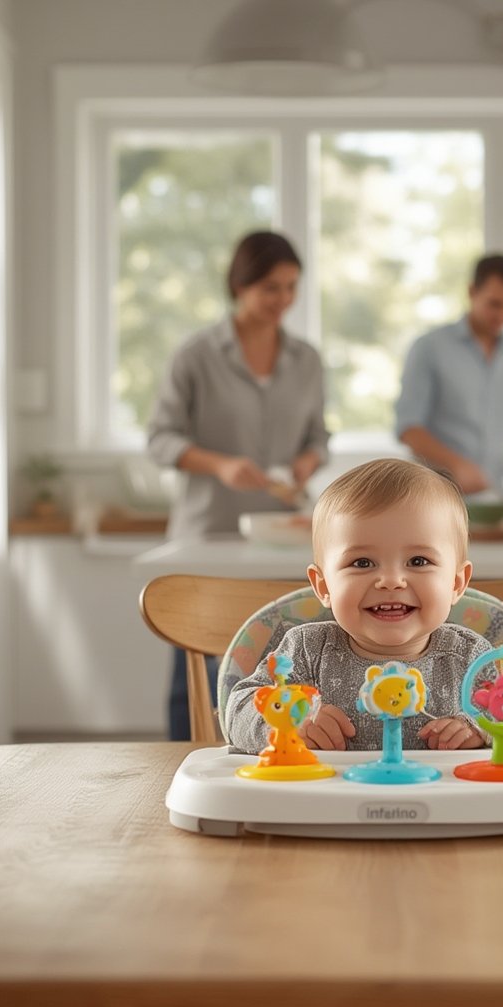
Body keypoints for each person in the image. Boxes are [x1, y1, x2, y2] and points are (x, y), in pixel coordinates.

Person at [225, 458, 503, 755]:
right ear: (324, 586)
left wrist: (486, 728)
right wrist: (289, 724)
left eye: (418, 560)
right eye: (362, 562)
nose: (391, 581)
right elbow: (237, 709)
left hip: (449, 813)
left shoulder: (470, 657)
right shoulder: (306, 652)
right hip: (325, 811)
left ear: (456, 583)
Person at [147, 229, 329, 739]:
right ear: (240, 285)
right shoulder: (196, 355)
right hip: (210, 533)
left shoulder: (307, 361)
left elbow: (319, 436)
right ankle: (182, 762)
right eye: (271, 287)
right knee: (195, 667)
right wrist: (220, 465)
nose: (283, 300)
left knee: (281, 658)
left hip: (285, 536)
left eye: (292, 287)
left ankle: (278, 750)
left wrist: (306, 461)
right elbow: (160, 438)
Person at [395, 253, 503, 495]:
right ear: (472, 292)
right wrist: (456, 465)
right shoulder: (429, 348)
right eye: (495, 304)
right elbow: (408, 428)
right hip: (433, 497)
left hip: (494, 497)